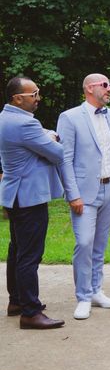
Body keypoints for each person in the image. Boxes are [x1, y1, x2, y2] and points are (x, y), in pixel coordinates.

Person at [57, 74, 110, 320]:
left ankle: (96, 292)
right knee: (84, 243)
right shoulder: (69, 118)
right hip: (84, 192)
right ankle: (82, 297)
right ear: (90, 88)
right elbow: (64, 159)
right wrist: (73, 194)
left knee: (99, 245)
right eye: (105, 84)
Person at [0, 76, 65, 329]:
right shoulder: (25, 125)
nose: (38, 98)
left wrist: (45, 136)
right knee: (30, 256)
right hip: (29, 197)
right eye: (34, 94)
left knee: (17, 250)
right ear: (18, 98)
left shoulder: (6, 118)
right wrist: (52, 139)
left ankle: (16, 301)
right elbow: (57, 154)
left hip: (14, 195)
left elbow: (37, 143)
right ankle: (30, 312)